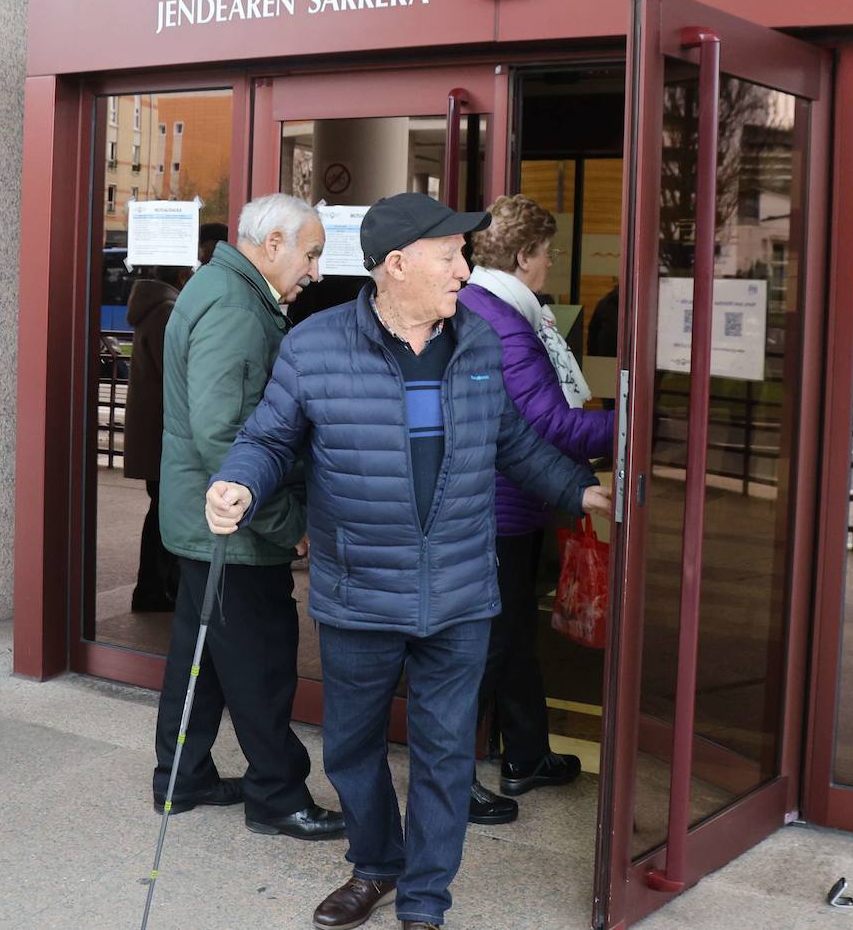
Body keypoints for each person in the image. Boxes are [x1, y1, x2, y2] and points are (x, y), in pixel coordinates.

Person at [205, 191, 611, 930]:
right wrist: (237, 481)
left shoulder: (480, 343)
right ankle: (376, 865)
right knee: (353, 750)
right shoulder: (316, 345)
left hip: (457, 591)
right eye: (451, 255)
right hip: (360, 590)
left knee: (447, 755)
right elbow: (268, 438)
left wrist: (581, 493)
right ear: (398, 265)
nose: (465, 269)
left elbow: (514, 443)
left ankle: (425, 897)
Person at [153, 193, 344, 843]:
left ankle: (182, 776)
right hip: (232, 531)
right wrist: (285, 517)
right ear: (272, 246)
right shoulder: (237, 308)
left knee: (198, 657)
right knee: (262, 661)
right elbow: (224, 434)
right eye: (310, 254)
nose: (316, 270)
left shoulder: (221, 287)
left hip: (203, 524)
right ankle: (277, 794)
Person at [456, 194, 614, 825]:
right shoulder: (502, 321)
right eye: (548, 253)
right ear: (524, 256)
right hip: (495, 507)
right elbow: (549, 423)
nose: (551, 264)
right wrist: (636, 427)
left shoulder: (499, 308)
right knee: (487, 644)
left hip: (507, 504)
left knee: (513, 633)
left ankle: (525, 754)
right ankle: (452, 779)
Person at [123, 265, 185, 612]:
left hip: (154, 432)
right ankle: (153, 589)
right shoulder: (166, 311)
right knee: (165, 514)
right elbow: (175, 375)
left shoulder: (155, 307)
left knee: (161, 510)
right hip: (164, 434)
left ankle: (155, 588)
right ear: (180, 278)